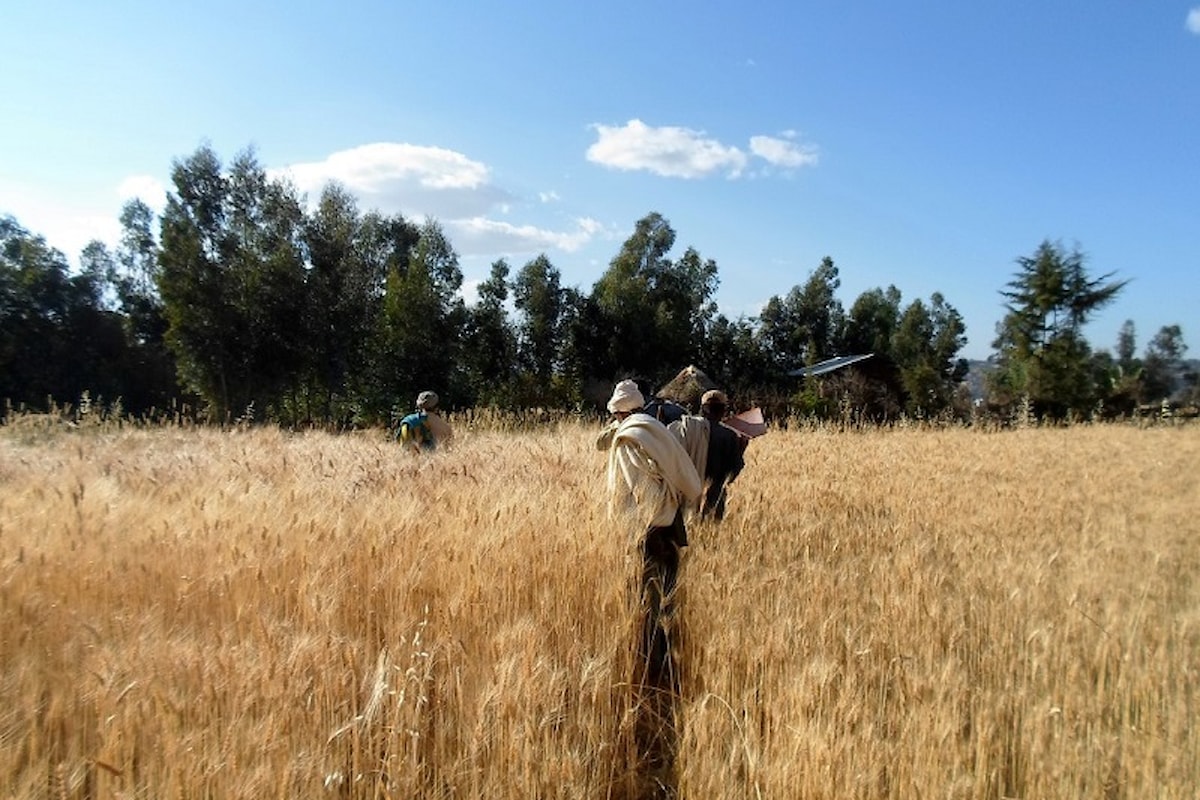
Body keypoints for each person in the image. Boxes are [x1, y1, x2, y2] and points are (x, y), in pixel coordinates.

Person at [599, 379, 702, 687]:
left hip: (648, 534)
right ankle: (674, 663)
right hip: (672, 529)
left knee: (648, 604)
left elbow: (637, 492)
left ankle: (653, 671)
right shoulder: (660, 431)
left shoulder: (627, 437)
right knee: (669, 600)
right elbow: (691, 482)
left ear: (618, 413)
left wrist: (633, 531)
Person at [693, 389, 745, 520]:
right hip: (715, 493)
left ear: (702, 409)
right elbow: (735, 467)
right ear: (723, 410)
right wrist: (741, 449)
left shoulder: (689, 429)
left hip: (687, 490)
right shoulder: (729, 435)